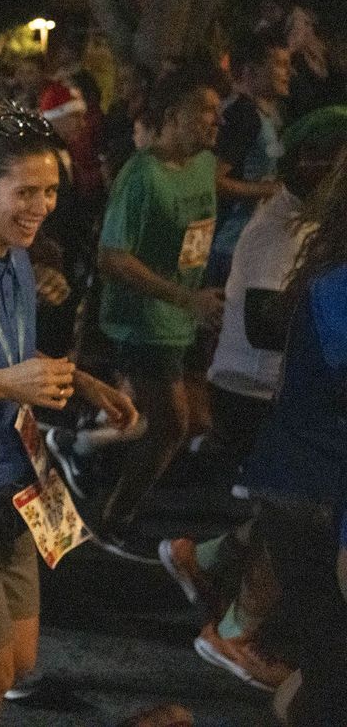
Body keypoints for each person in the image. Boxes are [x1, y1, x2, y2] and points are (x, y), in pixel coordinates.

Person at [0, 111, 138, 703]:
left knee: (19, 665)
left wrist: (83, 383)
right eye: (25, 191)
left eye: (50, 191)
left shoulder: (18, 259)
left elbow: (16, 358)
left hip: (22, 481)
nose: (42, 206)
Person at [232, 148, 347, 713]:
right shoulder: (338, 286)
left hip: (311, 482)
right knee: (331, 669)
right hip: (309, 490)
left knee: (326, 666)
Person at [93, 66, 223, 554]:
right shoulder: (140, 176)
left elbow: (221, 191)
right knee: (173, 424)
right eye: (205, 111)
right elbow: (112, 257)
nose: (216, 121)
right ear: (172, 116)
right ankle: (114, 517)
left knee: (191, 420)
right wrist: (185, 296)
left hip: (186, 315)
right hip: (143, 320)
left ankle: (90, 448)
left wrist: (274, 193)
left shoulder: (204, 163)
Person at [209, 28, 292, 286]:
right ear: (249, 71)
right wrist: (266, 190)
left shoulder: (265, 116)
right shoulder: (242, 115)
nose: (288, 73)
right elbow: (213, 180)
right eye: (279, 64)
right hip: (228, 247)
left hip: (248, 244)